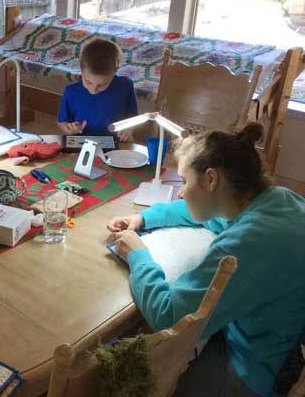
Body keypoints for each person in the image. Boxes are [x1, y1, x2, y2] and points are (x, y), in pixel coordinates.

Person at [108, 123, 305, 397]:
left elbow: (170, 320)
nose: (180, 192)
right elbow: (216, 214)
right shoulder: (277, 200)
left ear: (212, 180)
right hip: (277, 343)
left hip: (255, 374)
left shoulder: (247, 242)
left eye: (185, 181)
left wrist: (138, 255)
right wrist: (144, 218)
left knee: (128, 372)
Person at [57, 38, 137, 141]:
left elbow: (133, 116)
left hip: (116, 142)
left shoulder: (125, 86)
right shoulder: (71, 92)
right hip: (81, 143)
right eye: (88, 82)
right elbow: (62, 122)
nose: (93, 90)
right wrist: (69, 130)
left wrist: (128, 129)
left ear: (115, 71)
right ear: (81, 70)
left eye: (102, 84)